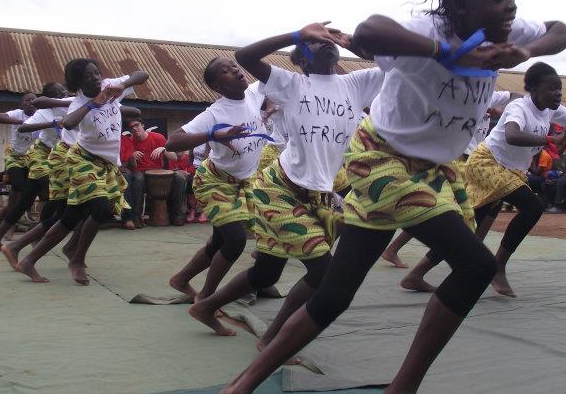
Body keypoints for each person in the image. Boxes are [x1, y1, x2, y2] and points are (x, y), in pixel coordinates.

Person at [214, 0, 566, 394]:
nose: (510, 5)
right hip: (384, 162)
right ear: (459, 3)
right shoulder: (424, 28)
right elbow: (369, 30)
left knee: (334, 294)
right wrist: (445, 51)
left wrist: (524, 47)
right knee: (474, 265)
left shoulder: (506, 29)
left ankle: (239, 389)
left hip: (435, 171)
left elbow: (563, 31)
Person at [186, 25, 383, 340]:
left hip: (317, 194)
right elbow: (244, 56)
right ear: (302, 61)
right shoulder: (292, 84)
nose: (325, 44)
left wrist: (358, 45)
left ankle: (206, 306)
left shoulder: (357, 83)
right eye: (315, 43)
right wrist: (297, 34)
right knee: (323, 272)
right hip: (279, 190)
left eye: (328, 41)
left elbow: (398, 68)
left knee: (266, 272)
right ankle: (274, 337)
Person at [399, 62, 566, 296]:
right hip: (487, 163)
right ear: (534, 90)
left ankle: (416, 274)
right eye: (551, 89)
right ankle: (499, 267)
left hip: (512, 170)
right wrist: (550, 139)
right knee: (532, 206)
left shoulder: (551, 109)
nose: (558, 94)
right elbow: (513, 135)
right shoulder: (519, 107)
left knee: (470, 227)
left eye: (560, 89)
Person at [16, 60, 149, 284]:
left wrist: (121, 85)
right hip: (82, 160)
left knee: (71, 217)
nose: (96, 78)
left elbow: (142, 73)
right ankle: (76, 259)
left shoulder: (109, 86)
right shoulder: (78, 103)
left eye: (97, 72)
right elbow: (68, 123)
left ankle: (29, 260)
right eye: (88, 76)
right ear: (78, 83)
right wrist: (93, 104)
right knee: (101, 208)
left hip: (105, 164)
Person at [165, 58, 271, 301]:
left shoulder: (254, 94)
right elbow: (173, 141)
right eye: (226, 71)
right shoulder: (215, 113)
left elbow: (273, 82)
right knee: (234, 242)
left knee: (219, 242)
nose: (235, 70)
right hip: (215, 181)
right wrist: (212, 134)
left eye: (234, 66)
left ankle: (180, 280)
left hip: (243, 184)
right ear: (218, 87)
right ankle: (206, 298)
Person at [379, 87, 515, 268]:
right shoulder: (463, 90)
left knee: (441, 205)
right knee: (443, 205)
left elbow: (516, 96)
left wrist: (504, 111)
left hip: (470, 155)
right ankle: (401, 251)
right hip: (458, 156)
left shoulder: (491, 94)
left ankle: (396, 249)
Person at [0, 83, 67, 250]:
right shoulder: (43, 113)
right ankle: (37, 235)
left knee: (26, 200)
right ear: (50, 98)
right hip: (38, 155)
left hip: (52, 156)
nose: (65, 94)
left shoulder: (65, 108)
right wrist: (51, 124)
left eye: (65, 92)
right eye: (61, 93)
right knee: (52, 194)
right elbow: (23, 126)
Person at [121, 119, 187, 227]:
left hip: (158, 171)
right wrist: (132, 156)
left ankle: (177, 215)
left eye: (137, 125)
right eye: (131, 127)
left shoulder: (158, 137)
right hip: (140, 171)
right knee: (138, 179)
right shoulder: (129, 141)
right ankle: (136, 216)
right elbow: (132, 167)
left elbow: (174, 157)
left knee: (179, 177)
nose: (135, 128)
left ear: (142, 125)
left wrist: (163, 149)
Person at [0, 93, 39, 228]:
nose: (31, 102)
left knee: (23, 196)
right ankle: (8, 223)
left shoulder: (41, 116)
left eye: (34, 100)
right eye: (27, 100)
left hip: (32, 158)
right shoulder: (17, 114)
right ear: (22, 104)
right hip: (15, 156)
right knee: (17, 185)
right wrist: (22, 123)